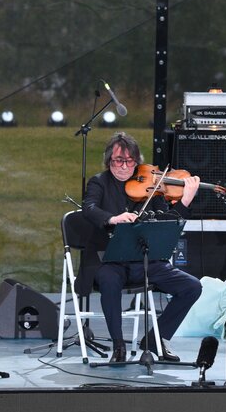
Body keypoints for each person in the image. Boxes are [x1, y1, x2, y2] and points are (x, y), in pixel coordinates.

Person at [82, 132, 202, 363]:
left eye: (130, 161)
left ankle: (156, 340)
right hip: (109, 260)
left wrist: (185, 201)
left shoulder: (151, 185)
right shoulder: (99, 182)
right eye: (119, 160)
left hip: (144, 260)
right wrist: (113, 218)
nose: (125, 166)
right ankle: (118, 345)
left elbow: (168, 222)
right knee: (109, 280)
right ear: (109, 160)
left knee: (192, 286)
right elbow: (89, 208)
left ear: (137, 161)